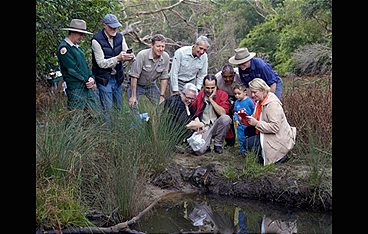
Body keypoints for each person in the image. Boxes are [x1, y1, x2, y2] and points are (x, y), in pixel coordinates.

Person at [91, 13, 134, 120]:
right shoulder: (96, 40)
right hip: (104, 79)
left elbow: (125, 51)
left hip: (118, 78)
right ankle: (107, 133)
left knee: (118, 108)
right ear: (104, 25)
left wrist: (130, 56)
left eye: (116, 26)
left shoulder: (120, 37)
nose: (114, 29)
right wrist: (118, 58)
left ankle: (118, 132)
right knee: (107, 110)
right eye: (111, 27)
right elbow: (101, 63)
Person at [245, 78, 296, 165]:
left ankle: (276, 158)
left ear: (262, 90)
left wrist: (256, 123)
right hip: (266, 133)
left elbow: (275, 127)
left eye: (255, 92)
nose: (252, 95)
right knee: (247, 131)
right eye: (252, 92)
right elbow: (257, 117)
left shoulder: (273, 105)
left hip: (278, 138)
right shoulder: (260, 101)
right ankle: (260, 157)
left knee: (249, 142)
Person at [57, 19, 99, 111]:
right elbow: (72, 69)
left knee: (95, 114)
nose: (82, 37)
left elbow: (85, 66)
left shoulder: (78, 48)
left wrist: (91, 78)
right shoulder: (64, 48)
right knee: (76, 116)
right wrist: (86, 79)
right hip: (75, 88)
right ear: (73, 32)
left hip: (87, 86)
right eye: (81, 34)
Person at [127, 34, 170, 113]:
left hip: (150, 85)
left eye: (163, 46)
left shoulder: (165, 57)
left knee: (162, 106)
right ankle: (137, 124)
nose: (161, 49)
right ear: (152, 45)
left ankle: (155, 123)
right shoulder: (142, 55)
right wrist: (133, 96)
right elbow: (134, 76)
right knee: (133, 106)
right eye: (158, 46)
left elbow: (164, 78)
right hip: (137, 84)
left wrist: (162, 96)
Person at [190, 74, 232, 155]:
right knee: (199, 151)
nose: (210, 91)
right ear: (203, 86)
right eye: (207, 88)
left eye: (212, 88)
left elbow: (223, 113)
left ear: (216, 86)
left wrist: (211, 100)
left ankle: (218, 144)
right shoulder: (199, 96)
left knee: (226, 119)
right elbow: (192, 112)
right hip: (204, 127)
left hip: (216, 124)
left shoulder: (222, 94)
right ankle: (208, 143)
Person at [215, 64, 242, 147]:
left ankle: (244, 140)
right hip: (225, 97)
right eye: (225, 77)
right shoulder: (217, 79)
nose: (228, 79)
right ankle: (230, 141)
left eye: (230, 76)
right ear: (222, 75)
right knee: (227, 117)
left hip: (239, 96)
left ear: (234, 74)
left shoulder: (239, 77)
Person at [232, 84, 255, 154]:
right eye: (235, 94)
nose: (237, 96)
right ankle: (243, 151)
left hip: (248, 124)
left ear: (245, 92)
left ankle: (251, 151)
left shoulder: (249, 101)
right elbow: (235, 112)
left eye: (239, 93)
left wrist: (252, 118)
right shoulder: (236, 102)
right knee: (240, 137)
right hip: (240, 124)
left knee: (248, 137)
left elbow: (254, 110)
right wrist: (236, 119)